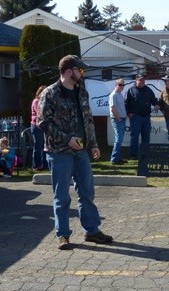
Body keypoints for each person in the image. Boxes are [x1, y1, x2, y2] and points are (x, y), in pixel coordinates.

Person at [38, 55, 112, 250]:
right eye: (80, 70)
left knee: (87, 192)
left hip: (81, 152)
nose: (82, 74)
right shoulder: (50, 93)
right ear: (69, 71)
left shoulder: (81, 92)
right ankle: (63, 235)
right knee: (62, 196)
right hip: (60, 151)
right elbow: (43, 123)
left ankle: (92, 231)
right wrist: (66, 139)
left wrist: (93, 145)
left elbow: (87, 120)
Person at [124, 74, 159, 159]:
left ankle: (145, 154)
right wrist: (128, 113)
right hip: (135, 117)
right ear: (136, 80)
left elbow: (154, 100)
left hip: (146, 117)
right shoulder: (130, 90)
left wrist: (157, 104)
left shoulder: (148, 90)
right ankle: (134, 154)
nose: (142, 81)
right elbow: (126, 103)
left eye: (143, 80)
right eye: (140, 80)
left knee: (146, 136)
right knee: (134, 136)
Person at [108, 78, 127, 164]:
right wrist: (119, 118)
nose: (122, 87)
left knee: (120, 139)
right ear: (116, 85)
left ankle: (118, 157)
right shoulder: (114, 95)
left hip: (122, 118)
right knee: (118, 139)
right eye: (120, 85)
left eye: (123, 85)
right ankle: (114, 158)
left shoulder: (120, 94)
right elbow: (112, 108)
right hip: (117, 119)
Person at [30, 85, 45, 171]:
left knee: (44, 145)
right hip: (36, 125)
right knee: (38, 146)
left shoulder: (44, 101)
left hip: (43, 126)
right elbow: (39, 113)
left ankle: (45, 164)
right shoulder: (36, 101)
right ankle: (37, 165)